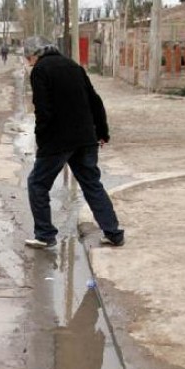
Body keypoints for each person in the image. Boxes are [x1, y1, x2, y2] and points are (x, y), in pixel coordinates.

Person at [23, 36, 125, 249]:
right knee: (92, 184)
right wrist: (102, 132)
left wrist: (41, 141)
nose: (28, 61)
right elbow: (95, 101)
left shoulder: (41, 70)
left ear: (35, 54)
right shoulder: (73, 66)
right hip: (86, 138)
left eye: (28, 56)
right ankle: (113, 233)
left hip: (58, 141)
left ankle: (44, 235)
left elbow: (43, 111)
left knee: (37, 184)